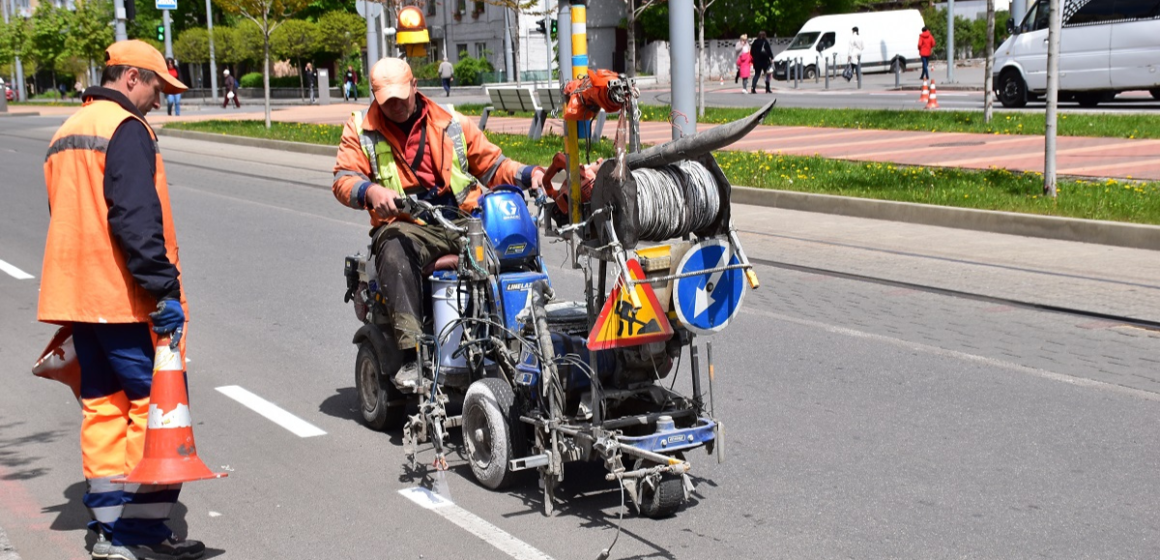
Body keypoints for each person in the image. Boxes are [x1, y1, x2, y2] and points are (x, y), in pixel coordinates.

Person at [40, 39, 205, 560]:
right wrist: (162, 291)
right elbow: (134, 221)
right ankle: (141, 537)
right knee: (152, 410)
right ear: (132, 77)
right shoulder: (125, 130)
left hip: (79, 298)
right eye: (157, 86)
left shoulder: (67, 131)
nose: (159, 99)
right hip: (125, 297)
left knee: (103, 408)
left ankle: (110, 528)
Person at [331, 58, 545, 386]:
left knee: (516, 244)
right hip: (407, 225)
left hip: (461, 220)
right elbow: (344, 179)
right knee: (393, 251)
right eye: (388, 101)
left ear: (415, 86)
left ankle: (527, 340)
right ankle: (411, 353)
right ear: (375, 96)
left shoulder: (450, 122)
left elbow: (493, 165)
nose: (398, 106)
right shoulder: (360, 128)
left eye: (403, 96)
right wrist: (370, 191)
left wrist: (530, 174)